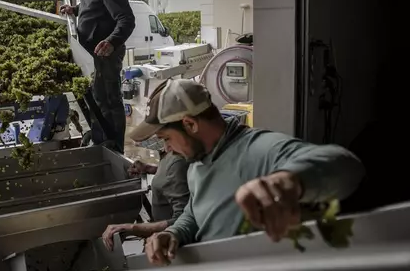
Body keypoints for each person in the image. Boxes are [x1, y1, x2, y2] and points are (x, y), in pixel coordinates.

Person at [128, 78, 365, 266]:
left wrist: (287, 181)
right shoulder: (197, 164)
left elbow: (345, 165)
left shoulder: (258, 149)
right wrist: (174, 232)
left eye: (166, 138)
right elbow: (195, 213)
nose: (167, 148)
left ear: (190, 124)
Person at [53, 0, 135, 153]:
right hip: (88, 53)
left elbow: (126, 19)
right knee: (95, 100)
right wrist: (76, 10)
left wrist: (111, 41)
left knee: (108, 101)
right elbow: (95, 4)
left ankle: (114, 150)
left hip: (105, 54)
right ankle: (100, 141)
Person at [101, 145, 190, 251]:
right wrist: (150, 169)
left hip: (171, 244)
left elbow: (182, 220)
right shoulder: (172, 157)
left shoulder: (177, 162)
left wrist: (131, 228)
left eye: (166, 137)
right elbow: (171, 176)